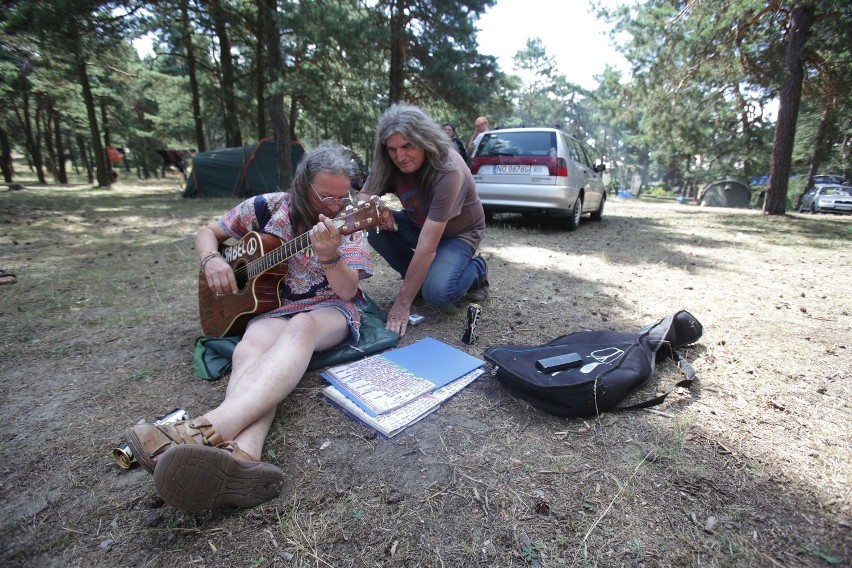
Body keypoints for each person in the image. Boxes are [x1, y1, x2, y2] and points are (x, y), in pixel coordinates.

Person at [124, 143, 373, 511]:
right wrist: (211, 260)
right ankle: (243, 457)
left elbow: (348, 289)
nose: (335, 205)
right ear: (302, 185)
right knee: (247, 350)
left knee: (302, 327)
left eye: (342, 195)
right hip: (275, 308)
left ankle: (201, 429)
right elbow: (207, 232)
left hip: (330, 308)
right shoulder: (265, 207)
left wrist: (329, 254)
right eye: (325, 196)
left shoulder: (351, 220)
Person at [357, 103, 488, 337]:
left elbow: (428, 247)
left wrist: (402, 304)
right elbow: (362, 199)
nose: (400, 156)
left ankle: (478, 269)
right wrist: (375, 206)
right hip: (419, 223)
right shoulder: (390, 162)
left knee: (437, 293)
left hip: (459, 233)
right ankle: (416, 282)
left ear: (425, 140)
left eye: (408, 146)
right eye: (392, 149)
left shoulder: (448, 171)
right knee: (371, 226)